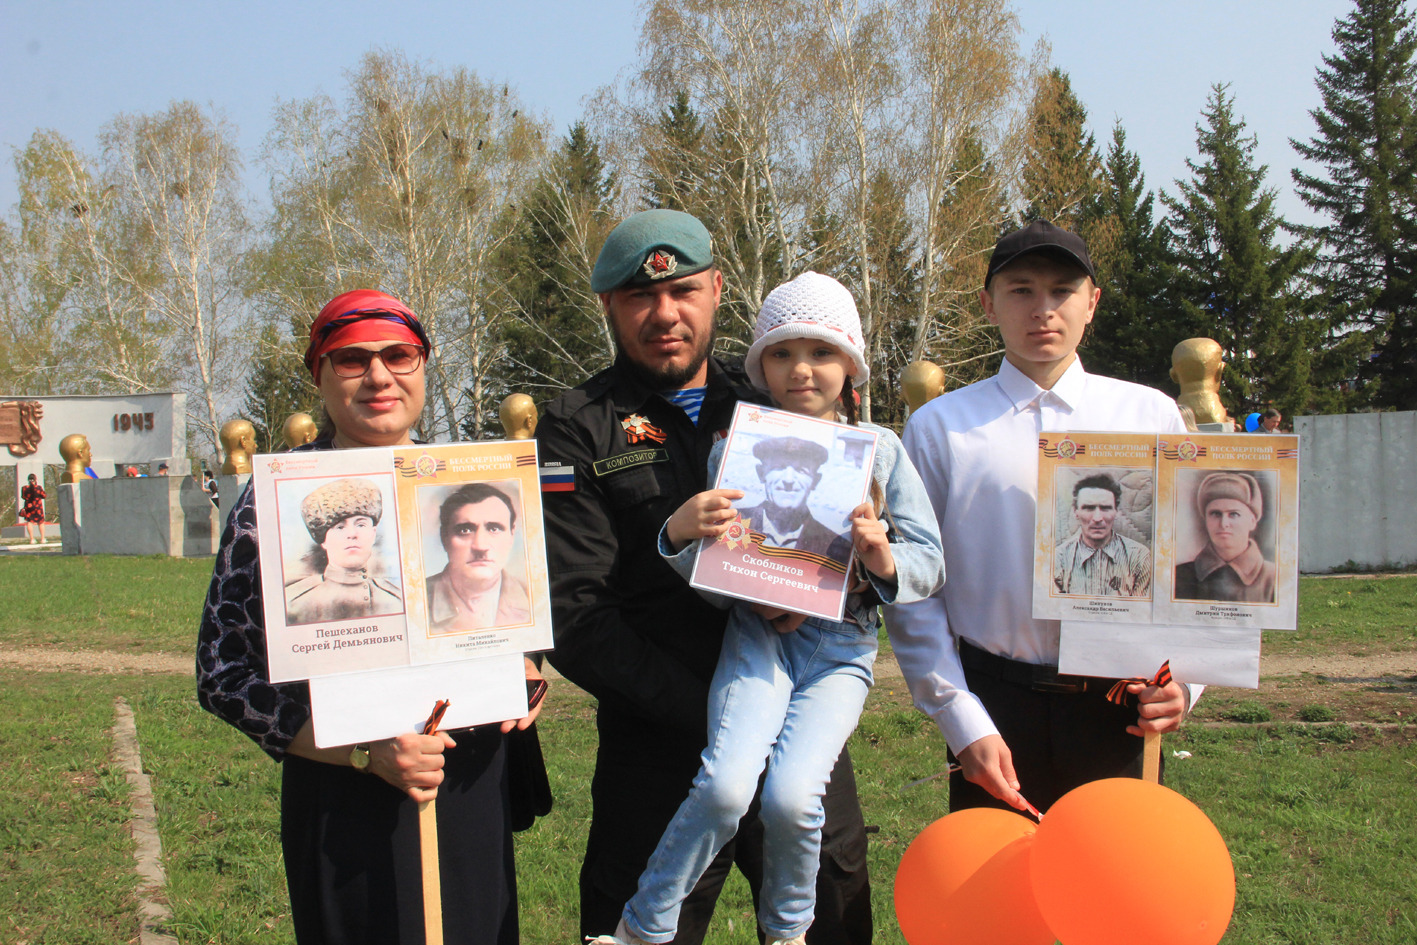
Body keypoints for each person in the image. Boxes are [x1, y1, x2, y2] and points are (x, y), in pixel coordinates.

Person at [539, 210, 875, 945]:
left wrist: (846, 576)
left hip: (795, 729)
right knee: (641, 927)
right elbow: (576, 614)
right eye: (639, 296)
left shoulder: (776, 392)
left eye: (683, 291)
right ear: (608, 304)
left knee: (828, 926)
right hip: (658, 745)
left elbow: (858, 532)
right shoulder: (577, 426)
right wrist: (717, 719)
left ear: (717, 289)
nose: (664, 313)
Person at [591, 272, 943, 945]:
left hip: (839, 649)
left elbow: (930, 562)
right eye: (781, 353)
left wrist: (879, 559)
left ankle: (788, 933)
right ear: (759, 366)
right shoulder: (734, 448)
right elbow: (718, 580)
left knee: (791, 798)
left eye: (821, 352)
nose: (800, 369)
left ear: (851, 363)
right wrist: (679, 536)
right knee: (724, 787)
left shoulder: (882, 451)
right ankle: (642, 927)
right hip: (755, 640)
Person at [196, 289, 547, 945]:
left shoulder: (463, 479)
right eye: (353, 360)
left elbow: (505, 607)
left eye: (398, 355)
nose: (380, 376)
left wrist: (523, 663)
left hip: (467, 783)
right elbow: (224, 673)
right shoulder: (273, 500)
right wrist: (364, 752)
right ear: (319, 375)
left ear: (423, 365)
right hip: (346, 800)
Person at [886, 219, 1197, 815]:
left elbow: (1186, 561)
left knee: (1112, 870)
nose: (1043, 309)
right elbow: (916, 586)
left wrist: (1182, 682)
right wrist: (960, 718)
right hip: (995, 708)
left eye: (1062, 291)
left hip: (1121, 702)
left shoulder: (1148, 415)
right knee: (997, 871)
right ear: (988, 304)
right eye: (1022, 290)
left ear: (1092, 302)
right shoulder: (941, 428)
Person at [283, 477, 403, 625]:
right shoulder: (293, 604)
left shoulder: (396, 600)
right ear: (323, 540)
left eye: (360, 525)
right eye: (340, 527)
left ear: (373, 534)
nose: (352, 534)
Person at [425, 483, 532, 632]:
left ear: (511, 535)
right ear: (444, 537)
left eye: (494, 529)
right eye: (465, 530)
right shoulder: (416, 599)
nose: (480, 546)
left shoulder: (535, 598)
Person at [739, 436, 853, 561]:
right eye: (778, 467)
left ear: (815, 481)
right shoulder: (732, 523)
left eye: (801, 470)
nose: (788, 480)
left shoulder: (834, 547)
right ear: (761, 473)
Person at [1174, 472, 1276, 603]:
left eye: (1234, 514)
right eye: (1215, 514)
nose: (1223, 524)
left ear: (1252, 521)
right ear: (1206, 520)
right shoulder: (1179, 576)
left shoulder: (1274, 578)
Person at [1052, 473, 1152, 597]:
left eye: (1105, 508)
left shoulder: (1139, 557)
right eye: (1089, 508)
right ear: (1075, 512)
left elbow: (1140, 607)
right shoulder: (1058, 559)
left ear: (1116, 511)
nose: (1097, 518)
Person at [20, 473, 46, 544]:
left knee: (29, 522)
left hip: (29, 506)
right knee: (40, 522)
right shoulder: (38, 488)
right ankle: (42, 538)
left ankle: (32, 539)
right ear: (35, 479)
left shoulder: (24, 488)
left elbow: (23, 496)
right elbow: (44, 495)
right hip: (38, 507)